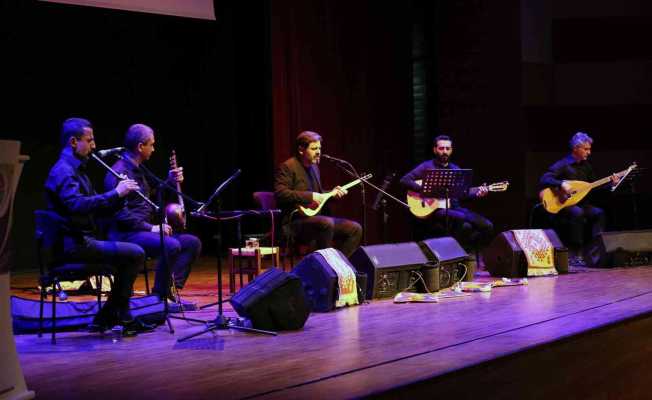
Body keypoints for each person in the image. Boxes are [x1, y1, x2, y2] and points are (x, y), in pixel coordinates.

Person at [45, 117, 150, 334]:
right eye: (89, 140)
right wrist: (115, 193)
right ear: (74, 142)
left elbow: (96, 205)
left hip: (81, 241)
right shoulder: (64, 170)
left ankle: (112, 316)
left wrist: (122, 196)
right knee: (135, 253)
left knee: (131, 256)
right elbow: (76, 205)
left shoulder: (77, 170)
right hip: (72, 246)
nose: (94, 145)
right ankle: (115, 315)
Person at [104, 124, 201, 302]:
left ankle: (170, 291)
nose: (154, 149)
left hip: (142, 230)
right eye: (152, 144)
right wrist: (152, 228)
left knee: (191, 243)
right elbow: (120, 215)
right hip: (126, 234)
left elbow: (153, 195)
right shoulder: (118, 172)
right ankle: (158, 297)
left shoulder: (139, 168)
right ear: (141, 147)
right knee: (171, 245)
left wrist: (170, 181)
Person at [274, 131, 362, 257]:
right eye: (314, 148)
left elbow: (320, 195)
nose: (318, 152)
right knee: (326, 223)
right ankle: (323, 269)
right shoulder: (288, 167)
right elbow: (281, 193)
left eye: (319, 148)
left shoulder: (314, 168)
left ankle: (340, 266)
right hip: (294, 222)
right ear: (301, 150)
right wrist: (312, 196)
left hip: (316, 219)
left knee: (355, 229)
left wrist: (332, 194)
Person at [400, 134, 494, 250]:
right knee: (462, 219)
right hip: (435, 209)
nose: (444, 151)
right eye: (441, 148)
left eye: (447, 149)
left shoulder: (456, 169)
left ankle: (463, 250)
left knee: (487, 226)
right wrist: (427, 190)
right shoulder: (426, 166)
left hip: (454, 208)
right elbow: (405, 180)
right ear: (435, 150)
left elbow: (463, 193)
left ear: (451, 150)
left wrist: (478, 193)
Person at [539, 132, 619, 265]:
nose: (589, 152)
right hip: (563, 205)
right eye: (586, 149)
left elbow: (593, 187)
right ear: (575, 148)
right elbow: (544, 178)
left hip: (582, 204)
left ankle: (596, 250)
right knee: (577, 213)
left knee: (599, 213)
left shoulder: (586, 166)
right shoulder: (563, 164)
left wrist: (611, 184)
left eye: (590, 149)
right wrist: (561, 183)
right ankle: (575, 254)